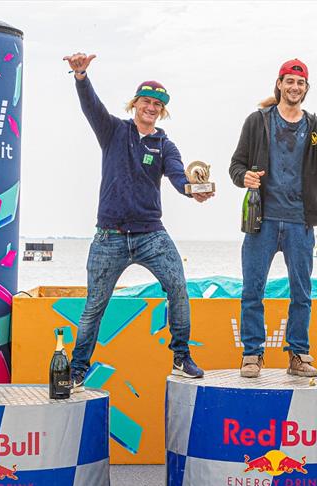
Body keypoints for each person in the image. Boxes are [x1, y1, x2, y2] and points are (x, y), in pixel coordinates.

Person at [63, 52, 213, 390]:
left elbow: (178, 176)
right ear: (135, 105)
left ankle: (180, 356)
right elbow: (92, 108)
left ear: (162, 110)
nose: (151, 107)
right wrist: (81, 76)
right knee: (93, 307)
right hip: (109, 237)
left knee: (178, 288)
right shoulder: (113, 131)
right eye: (146, 101)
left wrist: (193, 190)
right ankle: (76, 370)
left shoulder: (165, 145)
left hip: (151, 234)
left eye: (157, 104)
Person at [229, 58, 317, 379]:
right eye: (289, 82)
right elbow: (236, 166)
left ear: (306, 89)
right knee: (252, 290)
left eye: (300, 83)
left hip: (301, 221)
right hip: (262, 221)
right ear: (280, 84)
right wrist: (245, 178)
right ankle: (252, 354)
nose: (294, 87)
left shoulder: (316, 126)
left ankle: (298, 354)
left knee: (302, 292)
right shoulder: (257, 122)